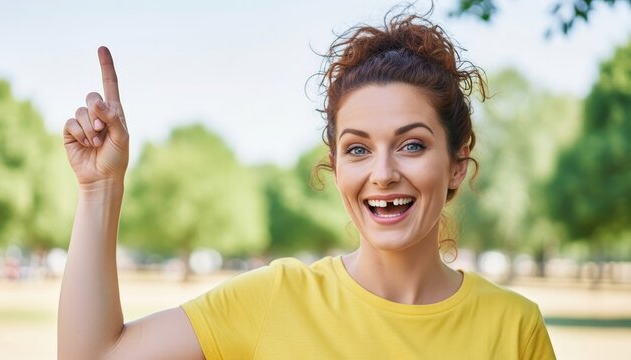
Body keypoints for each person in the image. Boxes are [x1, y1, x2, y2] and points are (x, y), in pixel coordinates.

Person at [58, 7, 556, 360]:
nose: (382, 173)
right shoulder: (275, 298)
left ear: (456, 162)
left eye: (411, 145)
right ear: (335, 167)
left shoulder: (514, 329)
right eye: (357, 149)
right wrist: (100, 190)